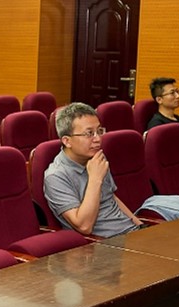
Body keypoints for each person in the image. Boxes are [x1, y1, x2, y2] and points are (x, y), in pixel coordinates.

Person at [43, 102, 144, 238]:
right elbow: (84, 226)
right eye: (89, 133)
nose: (98, 139)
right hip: (104, 243)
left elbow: (111, 197)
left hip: (129, 233)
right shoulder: (56, 176)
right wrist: (95, 179)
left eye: (99, 131)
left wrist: (139, 225)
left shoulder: (95, 157)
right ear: (67, 141)